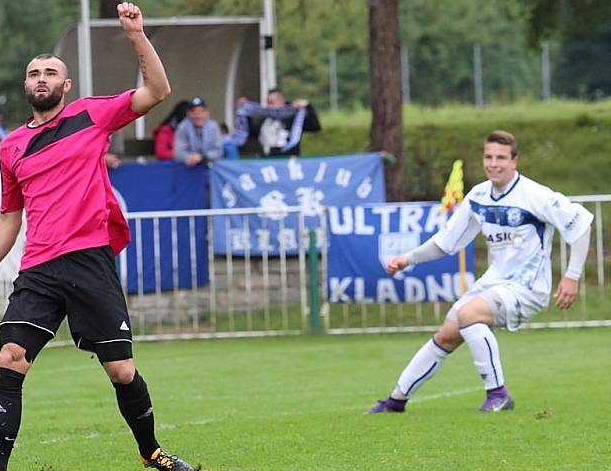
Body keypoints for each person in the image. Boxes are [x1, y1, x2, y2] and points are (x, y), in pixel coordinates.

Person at [0, 2, 195, 471]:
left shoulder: (92, 115)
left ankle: (151, 452)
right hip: (40, 268)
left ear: (66, 86)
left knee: (121, 371)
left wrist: (136, 36)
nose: (41, 77)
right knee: (11, 357)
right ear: (27, 86)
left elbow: (158, 90)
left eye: (50, 72)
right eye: (33, 72)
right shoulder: (10, 147)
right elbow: (9, 216)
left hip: (90, 263)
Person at [369, 130, 593, 414]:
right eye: (488, 157)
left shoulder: (535, 195)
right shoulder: (478, 195)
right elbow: (446, 242)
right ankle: (396, 400)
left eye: (501, 157)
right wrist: (408, 258)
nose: (494, 163)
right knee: (447, 334)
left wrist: (572, 276)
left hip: (526, 287)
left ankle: (498, 394)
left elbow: (581, 224)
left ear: (515, 161)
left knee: (468, 314)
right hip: (494, 283)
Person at [232, 88, 321, 157]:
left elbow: (315, 127)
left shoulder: (293, 118)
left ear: (281, 101)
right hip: (267, 158)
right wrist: (246, 112)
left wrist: (308, 107)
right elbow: (253, 134)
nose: (269, 106)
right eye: (267, 102)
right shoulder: (266, 118)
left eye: (271, 102)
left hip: (287, 159)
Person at [173, 96, 223, 166]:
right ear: (188, 113)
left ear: (207, 113)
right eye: (194, 112)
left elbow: (219, 151)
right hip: (189, 167)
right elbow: (178, 153)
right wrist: (191, 157)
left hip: (212, 167)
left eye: (201, 111)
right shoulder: (182, 127)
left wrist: (202, 157)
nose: (198, 115)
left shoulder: (213, 126)